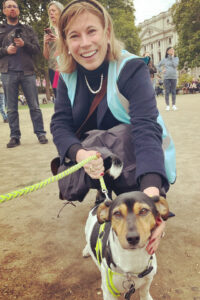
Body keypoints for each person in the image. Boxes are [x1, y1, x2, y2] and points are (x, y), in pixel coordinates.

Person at [50, 0, 170, 255]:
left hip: (134, 154)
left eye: (91, 31)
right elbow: (60, 125)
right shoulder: (66, 73)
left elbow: (145, 129)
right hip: (95, 154)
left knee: (123, 136)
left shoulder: (132, 68)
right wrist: (80, 155)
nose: (84, 43)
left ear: (106, 32)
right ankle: (105, 195)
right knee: (82, 146)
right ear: (66, 42)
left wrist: (151, 194)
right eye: (74, 36)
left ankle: (129, 192)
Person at [0, 0, 48, 148]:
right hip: (8, 72)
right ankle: (15, 136)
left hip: (28, 72)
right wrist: (5, 51)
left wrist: (24, 44)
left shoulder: (28, 29)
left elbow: (37, 49)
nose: (12, 9)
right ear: (4, 11)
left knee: (34, 105)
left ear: (18, 11)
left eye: (15, 6)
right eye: (9, 7)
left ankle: (40, 133)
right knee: (11, 108)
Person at [43, 1, 64, 97]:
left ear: (60, 12)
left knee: (71, 93)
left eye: (53, 10)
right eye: (49, 11)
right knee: (57, 94)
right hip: (54, 70)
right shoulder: (49, 31)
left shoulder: (67, 28)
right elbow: (46, 56)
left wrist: (59, 40)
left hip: (67, 67)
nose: (51, 13)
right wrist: (45, 43)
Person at [157, 47, 179, 111]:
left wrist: (172, 58)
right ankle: (167, 105)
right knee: (167, 92)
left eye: (173, 50)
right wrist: (161, 71)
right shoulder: (164, 59)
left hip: (174, 77)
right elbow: (158, 66)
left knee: (173, 91)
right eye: (170, 50)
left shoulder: (176, 58)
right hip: (166, 77)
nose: (172, 51)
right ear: (167, 52)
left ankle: (174, 105)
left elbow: (175, 65)